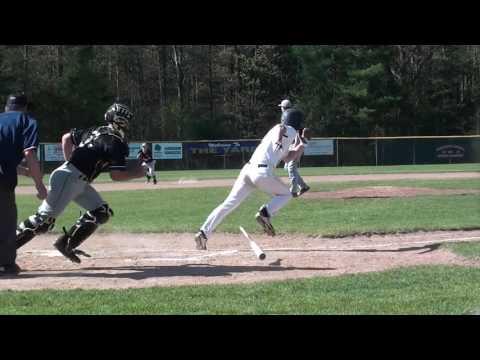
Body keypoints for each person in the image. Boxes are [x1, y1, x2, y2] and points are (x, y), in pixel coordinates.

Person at [16, 102, 145, 264]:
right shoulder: (115, 141)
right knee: (43, 221)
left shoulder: (96, 130)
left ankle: (65, 244)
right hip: (71, 178)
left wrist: (69, 162)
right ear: (121, 121)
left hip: (76, 179)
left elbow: (66, 138)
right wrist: (138, 173)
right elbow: (116, 175)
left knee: (101, 212)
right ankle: (5, 251)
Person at [194, 111, 306, 251]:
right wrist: (281, 140)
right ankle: (265, 213)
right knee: (287, 194)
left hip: (248, 170)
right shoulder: (287, 129)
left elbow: (287, 158)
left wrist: (300, 148)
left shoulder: (283, 136)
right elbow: (282, 128)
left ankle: (203, 233)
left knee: (228, 204)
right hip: (262, 172)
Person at [0, 93, 47, 276]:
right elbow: (29, 154)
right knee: (6, 222)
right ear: (25, 108)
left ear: (6, 107)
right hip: (2, 181)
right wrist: (40, 186)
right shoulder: (27, 121)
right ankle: (5, 265)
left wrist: (26, 172)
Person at [278, 99, 310, 197]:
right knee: (288, 168)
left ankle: (293, 190)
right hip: (293, 146)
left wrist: (299, 146)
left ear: (284, 108)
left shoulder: (289, 120)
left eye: (282, 107)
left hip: (297, 146)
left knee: (291, 168)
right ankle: (303, 186)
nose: (281, 109)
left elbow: (300, 135)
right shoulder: (292, 119)